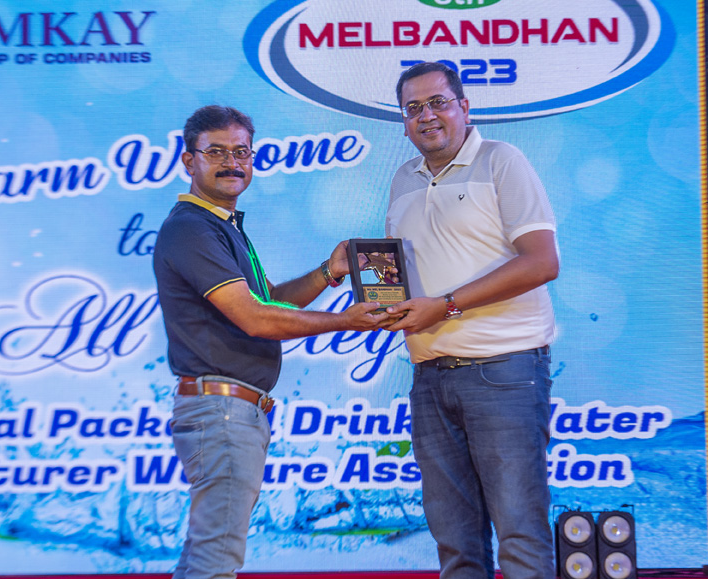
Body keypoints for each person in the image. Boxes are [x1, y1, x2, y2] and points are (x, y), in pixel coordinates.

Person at [153, 105, 389, 579]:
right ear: (188, 160)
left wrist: (329, 272)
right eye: (216, 152)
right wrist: (343, 321)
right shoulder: (192, 227)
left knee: (210, 558)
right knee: (214, 563)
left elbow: (268, 301)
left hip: (231, 412)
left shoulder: (222, 225)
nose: (232, 162)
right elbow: (255, 318)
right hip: (221, 412)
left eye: (242, 152)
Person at [383, 62, 559, 579]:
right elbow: (403, 272)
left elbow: (541, 261)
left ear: (464, 106)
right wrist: (379, 296)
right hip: (430, 377)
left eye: (438, 102)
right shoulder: (402, 179)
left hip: (504, 371)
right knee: (455, 544)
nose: (426, 115)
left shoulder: (502, 160)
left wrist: (446, 305)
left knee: (520, 534)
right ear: (404, 122)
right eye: (413, 108)